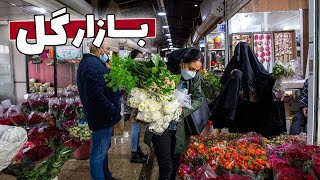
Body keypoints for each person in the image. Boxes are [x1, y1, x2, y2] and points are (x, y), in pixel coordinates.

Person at [150, 48, 204, 180]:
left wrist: (183, 111)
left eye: (196, 70)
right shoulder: (163, 72)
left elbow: (199, 98)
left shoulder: (194, 77)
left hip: (180, 127)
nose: (193, 73)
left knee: (176, 163)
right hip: (161, 126)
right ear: (181, 62)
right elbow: (150, 94)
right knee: (166, 166)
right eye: (191, 69)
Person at [210, 42, 282, 137]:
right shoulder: (255, 65)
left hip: (238, 109)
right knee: (252, 134)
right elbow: (265, 78)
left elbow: (223, 81)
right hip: (253, 108)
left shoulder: (234, 66)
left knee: (239, 134)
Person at [77, 41, 121, 180]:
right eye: (107, 49)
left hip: (102, 116)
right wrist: (112, 109)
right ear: (98, 48)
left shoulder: (94, 63)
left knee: (103, 151)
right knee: (97, 154)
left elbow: (102, 89)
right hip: (101, 117)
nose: (108, 52)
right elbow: (95, 95)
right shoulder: (92, 65)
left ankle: (106, 176)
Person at [124, 49, 148, 163]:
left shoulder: (140, 70)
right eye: (138, 57)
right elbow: (126, 89)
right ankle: (134, 153)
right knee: (135, 127)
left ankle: (137, 150)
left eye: (142, 57)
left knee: (137, 128)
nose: (141, 60)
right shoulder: (129, 71)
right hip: (134, 103)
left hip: (140, 102)